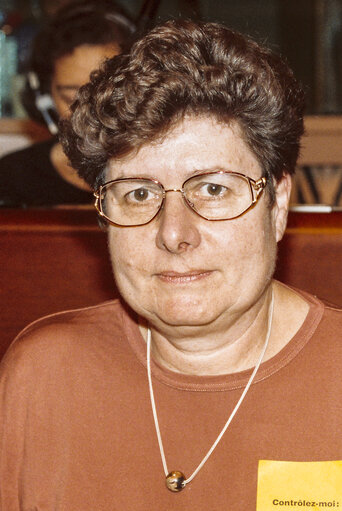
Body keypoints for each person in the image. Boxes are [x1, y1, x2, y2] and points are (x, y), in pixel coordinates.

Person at [0, 19, 341, 510]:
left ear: (278, 204)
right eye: (139, 194)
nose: (174, 233)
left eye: (214, 188)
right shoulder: (44, 376)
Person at [0, 0, 135, 207]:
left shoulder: (164, 172)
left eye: (106, 94)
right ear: (43, 98)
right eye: (71, 98)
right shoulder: (10, 177)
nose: (89, 114)